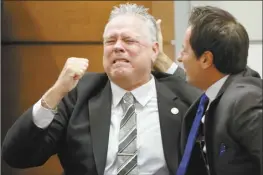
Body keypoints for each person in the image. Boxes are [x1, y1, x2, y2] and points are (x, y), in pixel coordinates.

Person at [2, 3, 201, 175]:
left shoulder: (182, 97)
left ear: (155, 50)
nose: (118, 47)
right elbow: (17, 156)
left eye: (129, 40)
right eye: (110, 41)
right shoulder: (79, 94)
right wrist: (56, 92)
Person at [168, 6, 261, 175]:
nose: (180, 58)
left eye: (184, 50)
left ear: (205, 59)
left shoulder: (246, 101)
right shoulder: (216, 96)